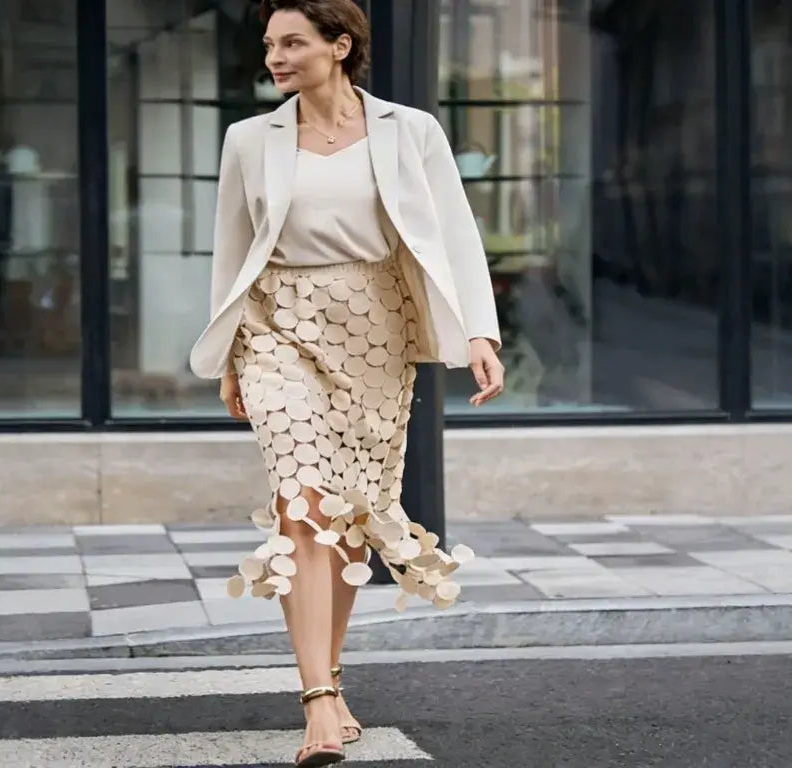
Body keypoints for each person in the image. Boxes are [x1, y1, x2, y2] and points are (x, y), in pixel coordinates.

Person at [186, 1, 505, 764]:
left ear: (340, 46)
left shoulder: (409, 131)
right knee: (302, 502)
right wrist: (229, 355)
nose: (275, 56)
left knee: (350, 511)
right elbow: (231, 250)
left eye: (292, 42)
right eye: (269, 44)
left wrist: (480, 331)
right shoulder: (249, 139)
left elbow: (455, 232)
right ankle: (318, 703)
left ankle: (330, 675)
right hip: (276, 329)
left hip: (376, 329)